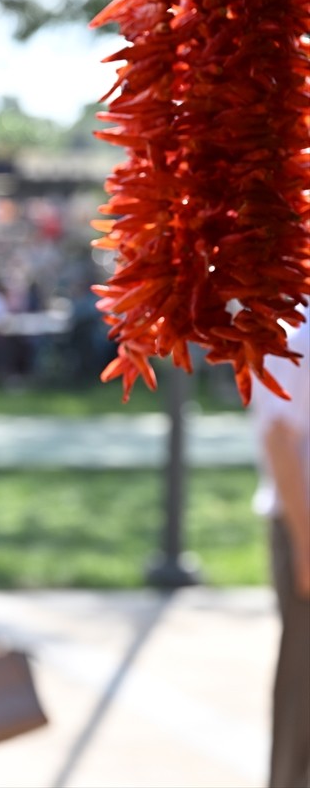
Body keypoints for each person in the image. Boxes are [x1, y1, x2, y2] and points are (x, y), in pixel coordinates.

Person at [250, 299, 310, 788]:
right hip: (304, 524)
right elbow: (277, 436)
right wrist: (306, 545)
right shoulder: (298, 330)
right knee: (302, 689)